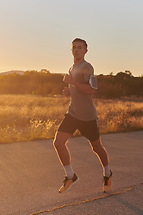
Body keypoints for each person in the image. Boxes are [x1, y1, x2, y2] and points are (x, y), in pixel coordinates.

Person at [53, 38, 112, 193]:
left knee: (97, 147)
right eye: (74, 47)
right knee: (58, 143)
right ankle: (71, 176)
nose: (76, 50)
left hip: (88, 116)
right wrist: (68, 92)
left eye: (80, 47)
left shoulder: (88, 67)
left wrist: (72, 82)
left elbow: (91, 90)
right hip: (73, 113)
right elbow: (76, 90)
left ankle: (107, 173)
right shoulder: (72, 68)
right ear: (71, 50)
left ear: (85, 51)